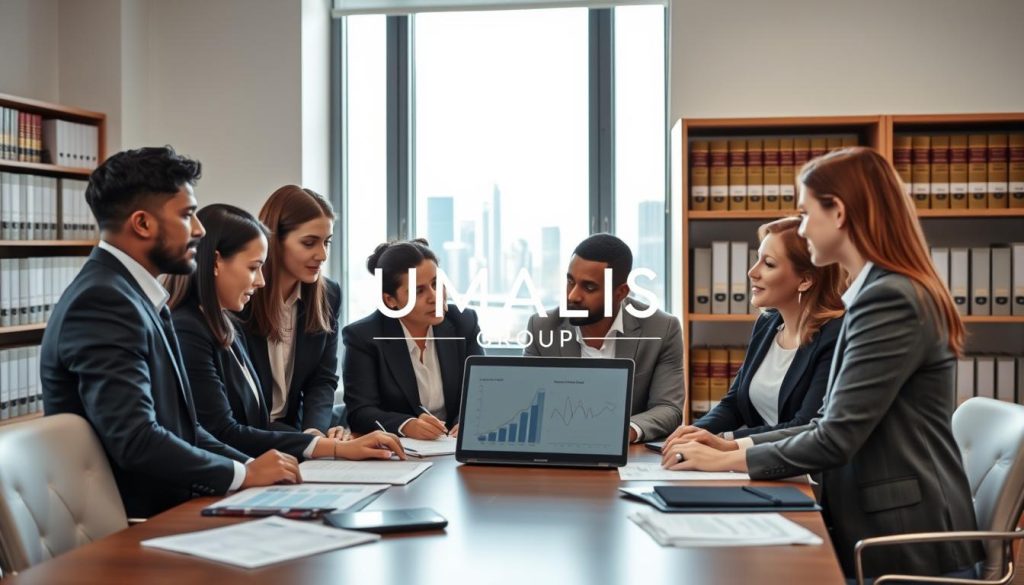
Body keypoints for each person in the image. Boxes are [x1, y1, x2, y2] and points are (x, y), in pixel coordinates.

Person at [662, 147, 984, 581]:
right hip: (875, 529)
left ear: (839, 213)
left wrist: (720, 462)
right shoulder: (877, 293)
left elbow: (835, 438)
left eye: (807, 211)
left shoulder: (889, 299)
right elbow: (825, 422)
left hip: (905, 547)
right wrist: (732, 446)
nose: (803, 225)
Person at [40, 147, 299, 519]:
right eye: (187, 215)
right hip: (136, 523)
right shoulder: (103, 301)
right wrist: (243, 474)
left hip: (172, 505)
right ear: (143, 224)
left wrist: (255, 470)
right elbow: (136, 439)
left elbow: (184, 428)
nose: (199, 230)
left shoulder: (134, 295)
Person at [165, 204, 404, 461]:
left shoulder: (223, 323)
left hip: (265, 455)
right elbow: (223, 431)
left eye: (327, 242)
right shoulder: (190, 328)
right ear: (216, 262)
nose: (260, 280)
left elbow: (258, 422)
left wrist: (318, 440)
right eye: (253, 268)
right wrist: (329, 447)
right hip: (231, 472)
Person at [665, 217, 845, 441]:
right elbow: (734, 404)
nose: (752, 272)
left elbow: (805, 425)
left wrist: (723, 441)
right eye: (756, 259)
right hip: (755, 464)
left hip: (804, 470)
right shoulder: (768, 323)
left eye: (768, 263)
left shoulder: (835, 335)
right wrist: (694, 433)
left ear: (806, 280)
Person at [524, 233, 683, 442]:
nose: (573, 296)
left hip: (628, 457)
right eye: (570, 281)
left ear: (621, 292)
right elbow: (526, 402)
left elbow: (668, 407)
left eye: (589, 287)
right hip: (558, 447)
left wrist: (625, 432)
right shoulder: (542, 327)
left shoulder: (662, 329)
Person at [343, 239, 484, 438]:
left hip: (453, 448)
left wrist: (467, 421)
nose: (434, 296)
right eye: (419, 291)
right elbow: (360, 412)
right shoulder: (363, 337)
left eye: (437, 284)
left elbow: (481, 390)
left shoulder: (463, 321)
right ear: (390, 300)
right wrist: (406, 425)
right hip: (399, 452)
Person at [242, 185, 343, 438]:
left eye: (327, 242)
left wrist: (314, 433)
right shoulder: (241, 295)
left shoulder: (328, 295)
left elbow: (323, 379)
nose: (322, 254)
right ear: (274, 240)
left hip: (294, 436)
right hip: (246, 439)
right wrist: (309, 443)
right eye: (309, 243)